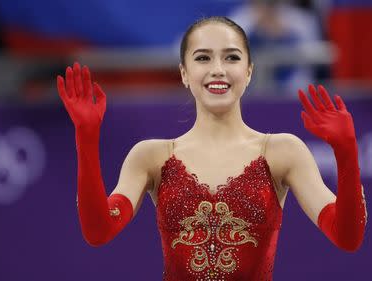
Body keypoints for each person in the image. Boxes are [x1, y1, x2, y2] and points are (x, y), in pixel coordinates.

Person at [56, 16, 367, 281]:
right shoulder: (150, 156)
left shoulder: (281, 151)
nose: (218, 69)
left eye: (231, 57)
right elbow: (98, 231)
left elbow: (347, 236)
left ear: (248, 71)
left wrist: (346, 152)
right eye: (203, 58)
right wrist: (86, 135)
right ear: (183, 73)